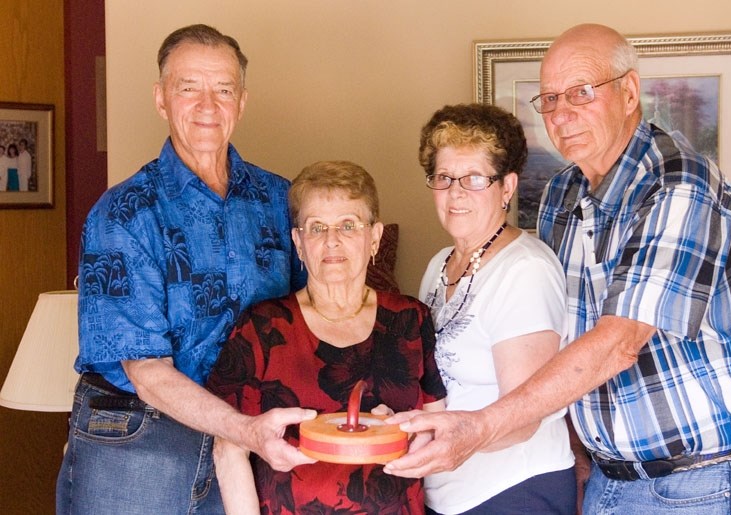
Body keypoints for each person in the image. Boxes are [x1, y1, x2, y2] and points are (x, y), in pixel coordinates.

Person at [385, 24, 731, 514]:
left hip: (700, 477)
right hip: (606, 474)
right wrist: (574, 448)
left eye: (581, 92)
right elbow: (560, 337)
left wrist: (480, 428)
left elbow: (621, 341)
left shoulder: (679, 182)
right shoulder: (561, 193)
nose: (561, 113)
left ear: (630, 92)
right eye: (548, 99)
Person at [56, 24, 313, 515]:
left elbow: (316, 314)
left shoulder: (280, 200)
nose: (208, 106)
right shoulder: (123, 214)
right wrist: (243, 430)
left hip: (248, 438)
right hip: (139, 439)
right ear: (161, 99)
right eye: (188, 88)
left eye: (223, 90)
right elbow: (147, 372)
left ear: (242, 102)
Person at [208, 160, 447, 514]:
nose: (331, 240)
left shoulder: (410, 319)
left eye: (348, 225)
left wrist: (403, 431)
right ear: (299, 244)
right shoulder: (263, 326)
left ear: (375, 238)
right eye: (316, 227)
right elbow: (229, 447)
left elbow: (435, 427)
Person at [416, 103, 575, 514]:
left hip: (515, 492)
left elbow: (525, 416)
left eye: (473, 178)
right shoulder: (439, 265)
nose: (455, 193)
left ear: (506, 187)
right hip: (448, 489)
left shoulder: (525, 270)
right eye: (444, 177)